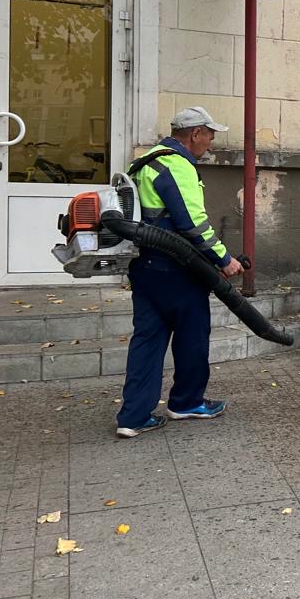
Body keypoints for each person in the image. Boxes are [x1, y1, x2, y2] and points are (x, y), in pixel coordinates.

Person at [116, 106, 244, 438]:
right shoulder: (177, 165)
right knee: (192, 335)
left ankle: (133, 417)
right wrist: (224, 258)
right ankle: (187, 402)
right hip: (177, 270)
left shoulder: (142, 163)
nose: (211, 144)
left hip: (144, 267)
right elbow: (191, 224)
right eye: (210, 136)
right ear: (195, 134)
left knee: (146, 340)